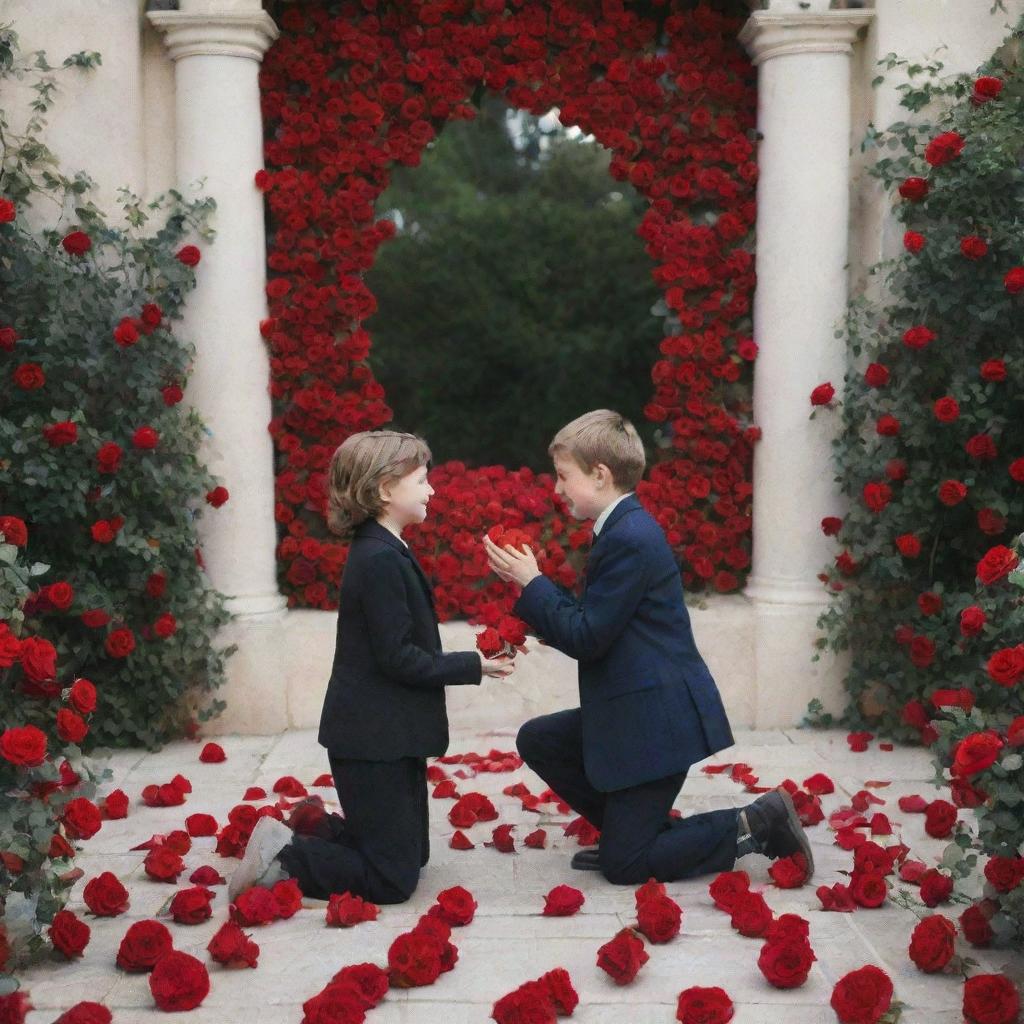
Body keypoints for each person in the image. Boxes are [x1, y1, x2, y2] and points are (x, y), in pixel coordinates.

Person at [483, 409, 814, 885]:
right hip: (634, 714)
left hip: (658, 722)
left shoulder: (631, 538)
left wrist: (531, 581)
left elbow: (588, 637)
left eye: (563, 476)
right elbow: (593, 625)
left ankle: (756, 822)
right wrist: (531, 610)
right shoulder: (621, 530)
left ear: (600, 475)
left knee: (626, 866)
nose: (555, 489)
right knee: (540, 739)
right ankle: (635, 832)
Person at [229, 430, 513, 903]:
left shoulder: (386, 548)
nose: (432, 490)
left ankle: (314, 826)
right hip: (370, 741)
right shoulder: (378, 559)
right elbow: (398, 658)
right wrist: (475, 665)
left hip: (388, 738)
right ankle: (286, 856)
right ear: (384, 489)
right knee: (392, 881)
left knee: (413, 858)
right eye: (422, 480)